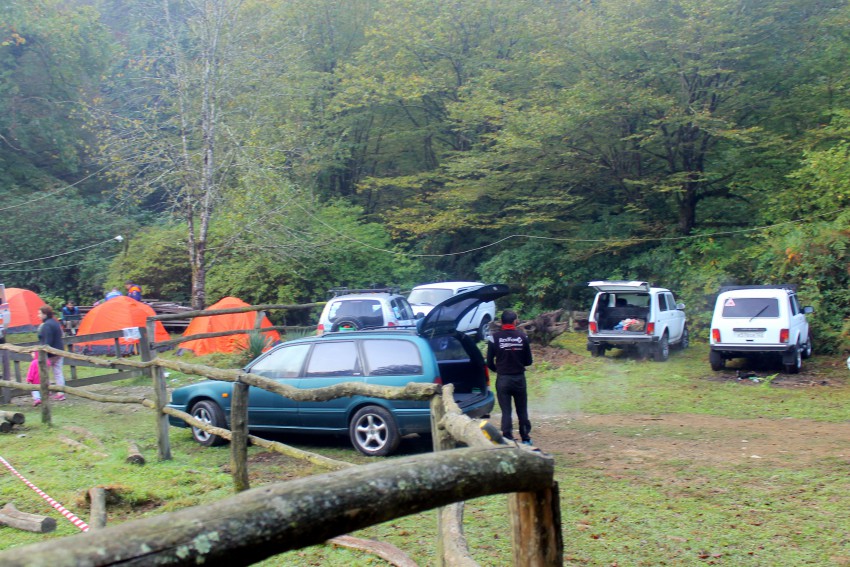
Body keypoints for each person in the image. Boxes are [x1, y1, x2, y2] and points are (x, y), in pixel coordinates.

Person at [486, 309, 533, 445]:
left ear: (501, 322)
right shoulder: (523, 337)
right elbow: (528, 361)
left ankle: (507, 438)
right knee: (522, 409)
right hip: (519, 379)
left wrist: (499, 370)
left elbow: (489, 362)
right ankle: (525, 438)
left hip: (503, 379)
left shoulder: (494, 338)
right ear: (515, 322)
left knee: (506, 411)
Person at [37, 305, 65, 401]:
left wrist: (43, 351)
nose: (38, 315)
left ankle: (46, 391)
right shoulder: (55, 322)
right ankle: (61, 393)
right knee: (58, 372)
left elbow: (47, 341)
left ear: (45, 314)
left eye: (40, 313)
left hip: (50, 353)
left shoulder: (46, 325)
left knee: (44, 372)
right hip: (59, 351)